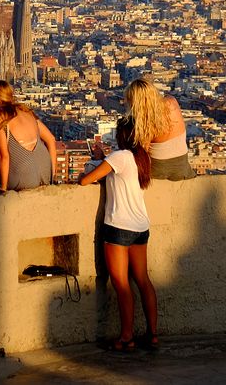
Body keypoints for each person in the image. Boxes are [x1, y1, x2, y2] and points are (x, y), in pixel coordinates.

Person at [79, 117, 159, 351]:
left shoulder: (119, 157)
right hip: (141, 226)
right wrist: (102, 159)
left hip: (118, 227)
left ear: (122, 136)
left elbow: (87, 180)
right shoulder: (142, 158)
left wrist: (97, 163)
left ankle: (127, 336)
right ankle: (153, 334)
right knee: (143, 281)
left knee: (121, 284)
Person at [0, 79, 55, 191]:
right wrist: (52, 177)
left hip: (23, 177)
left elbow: (3, 156)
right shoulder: (26, 111)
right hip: (45, 174)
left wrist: (3, 187)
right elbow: (51, 139)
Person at [124, 77, 195, 181]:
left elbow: (143, 154)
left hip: (157, 170)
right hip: (183, 168)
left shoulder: (143, 121)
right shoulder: (172, 102)